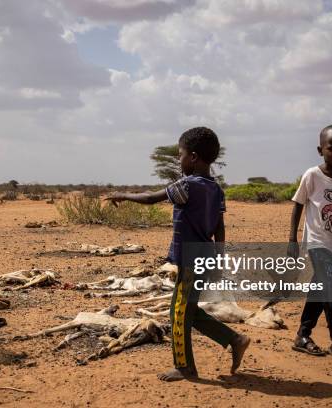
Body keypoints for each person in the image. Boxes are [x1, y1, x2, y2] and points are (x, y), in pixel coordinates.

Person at [106, 126, 250, 381]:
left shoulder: (188, 185)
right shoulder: (216, 189)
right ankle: (234, 339)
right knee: (189, 310)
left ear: (193, 157)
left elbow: (151, 198)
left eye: (181, 154)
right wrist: (218, 257)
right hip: (205, 256)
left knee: (179, 312)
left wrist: (122, 195)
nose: (179, 160)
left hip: (191, 260)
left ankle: (184, 367)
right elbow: (219, 226)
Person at [287, 124, 332, 362]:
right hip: (315, 242)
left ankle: (302, 335)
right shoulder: (312, 175)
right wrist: (292, 239)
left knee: (320, 288)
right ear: (320, 150)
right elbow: (297, 205)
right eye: (331, 148)